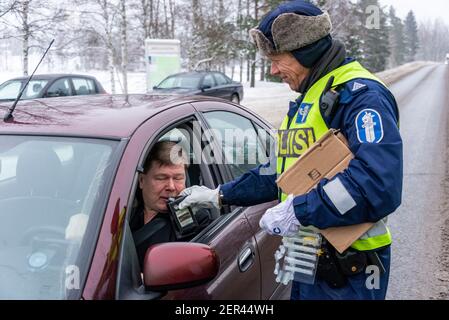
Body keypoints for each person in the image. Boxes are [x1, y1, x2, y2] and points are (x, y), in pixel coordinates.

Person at [178, 0, 403, 300]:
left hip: (350, 273)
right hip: (309, 261)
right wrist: (219, 194)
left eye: (278, 58)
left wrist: (298, 210)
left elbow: (378, 185)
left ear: (305, 50)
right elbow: (279, 174)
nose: (272, 70)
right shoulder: (310, 97)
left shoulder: (361, 96)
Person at [130, 141, 211, 269]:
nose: (171, 187)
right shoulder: (123, 211)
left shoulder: (197, 219)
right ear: (141, 180)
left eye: (178, 178)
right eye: (161, 178)